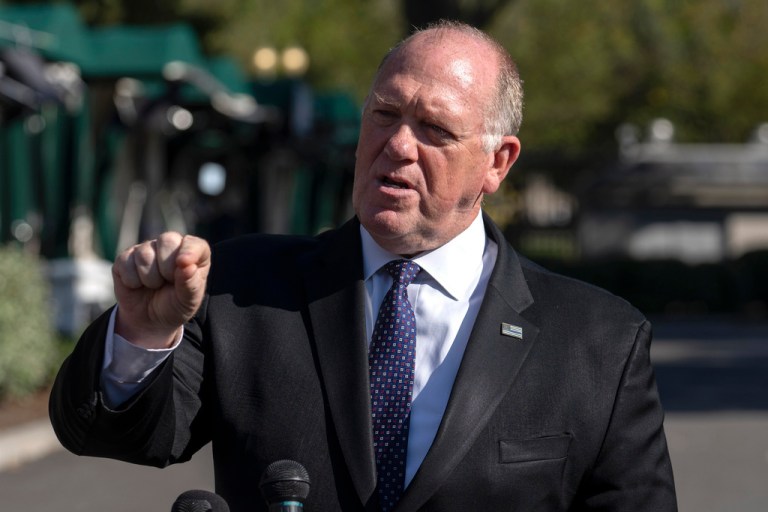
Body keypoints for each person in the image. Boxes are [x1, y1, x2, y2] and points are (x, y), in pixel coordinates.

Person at [50, 20, 677, 512]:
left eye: (434, 128)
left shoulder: (598, 342)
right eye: (384, 114)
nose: (398, 145)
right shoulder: (245, 289)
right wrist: (143, 335)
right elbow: (115, 433)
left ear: (498, 162)